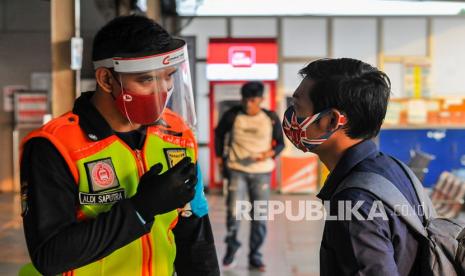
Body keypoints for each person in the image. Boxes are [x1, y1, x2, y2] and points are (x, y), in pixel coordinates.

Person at [19, 15, 219, 276]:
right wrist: (140, 209)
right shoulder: (54, 146)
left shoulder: (178, 135)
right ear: (106, 79)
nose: (162, 90)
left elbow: (194, 235)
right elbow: (50, 255)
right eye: (146, 80)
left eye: (168, 76)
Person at [282, 58, 426, 275]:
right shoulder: (394, 168)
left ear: (331, 121)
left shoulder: (355, 201)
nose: (291, 116)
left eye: (297, 106)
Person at [215, 81, 284, 271]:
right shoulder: (233, 115)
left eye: (252, 100)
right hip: (237, 170)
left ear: (261, 100)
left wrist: (268, 154)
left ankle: (255, 255)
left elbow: (280, 144)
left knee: (259, 216)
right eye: (245, 99)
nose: (248, 104)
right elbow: (219, 134)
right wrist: (220, 158)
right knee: (233, 213)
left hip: (261, 172)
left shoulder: (269, 117)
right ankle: (231, 249)